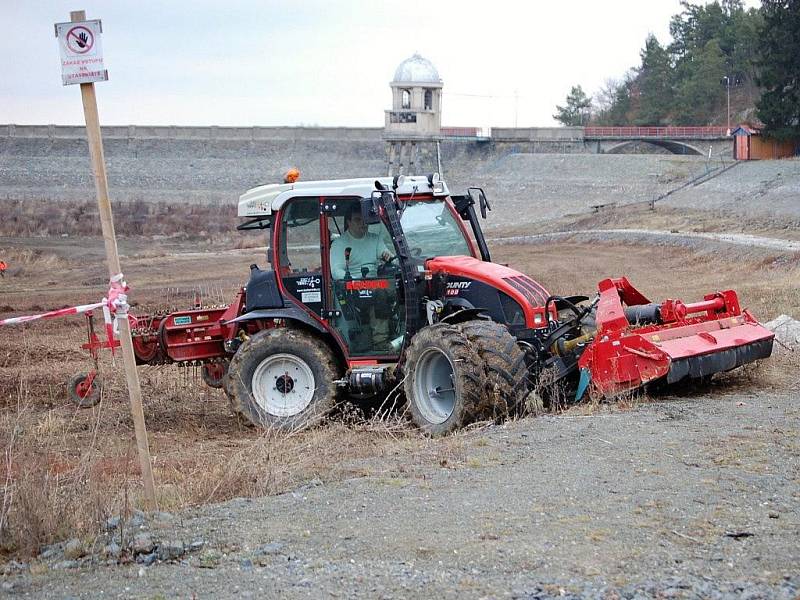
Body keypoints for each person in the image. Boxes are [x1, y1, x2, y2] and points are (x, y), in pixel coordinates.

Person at [330, 204, 392, 280]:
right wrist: (357, 282)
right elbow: (336, 272)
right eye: (357, 220)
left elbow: (392, 259)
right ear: (348, 222)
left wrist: (388, 256)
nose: (363, 223)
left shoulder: (375, 239)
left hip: (376, 285)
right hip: (351, 288)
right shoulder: (338, 244)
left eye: (365, 219)